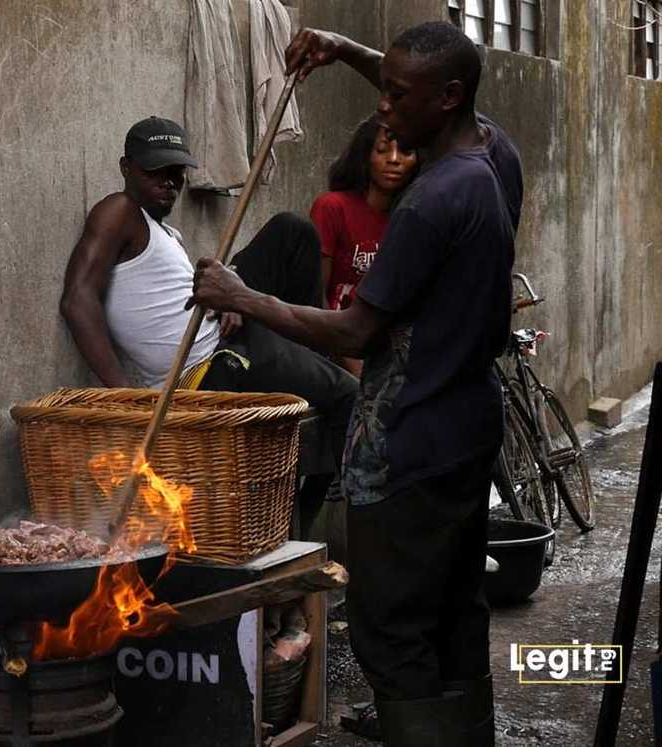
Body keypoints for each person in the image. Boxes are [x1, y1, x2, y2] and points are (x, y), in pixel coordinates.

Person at [191, 21, 522, 746]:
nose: (383, 108)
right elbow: (421, 87)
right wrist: (345, 52)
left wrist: (242, 296)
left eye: (398, 95)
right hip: (467, 430)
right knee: (454, 612)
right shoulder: (493, 155)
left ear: (448, 98)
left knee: (391, 628)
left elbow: (355, 333)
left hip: (412, 443)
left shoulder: (433, 202)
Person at [59, 116, 358, 527]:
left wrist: (228, 295)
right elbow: (77, 300)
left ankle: (307, 355)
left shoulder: (166, 233)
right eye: (155, 172)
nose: (169, 183)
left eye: (176, 173)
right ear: (126, 168)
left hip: (227, 332)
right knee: (350, 395)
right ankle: (317, 519)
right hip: (213, 365)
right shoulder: (119, 210)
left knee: (293, 231)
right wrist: (126, 396)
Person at [311, 116, 418, 376]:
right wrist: (354, 369)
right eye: (382, 150)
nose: (393, 159)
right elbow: (317, 296)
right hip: (332, 344)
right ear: (365, 155)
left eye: (405, 151)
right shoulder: (332, 208)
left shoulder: (412, 219)